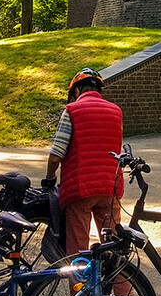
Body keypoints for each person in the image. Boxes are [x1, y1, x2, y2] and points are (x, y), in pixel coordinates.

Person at [43, 67, 124, 258]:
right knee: (114, 248)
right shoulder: (116, 112)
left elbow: (56, 155)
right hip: (110, 188)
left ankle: (80, 288)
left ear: (77, 91)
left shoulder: (72, 111)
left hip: (80, 190)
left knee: (78, 249)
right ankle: (124, 287)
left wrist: (49, 178)